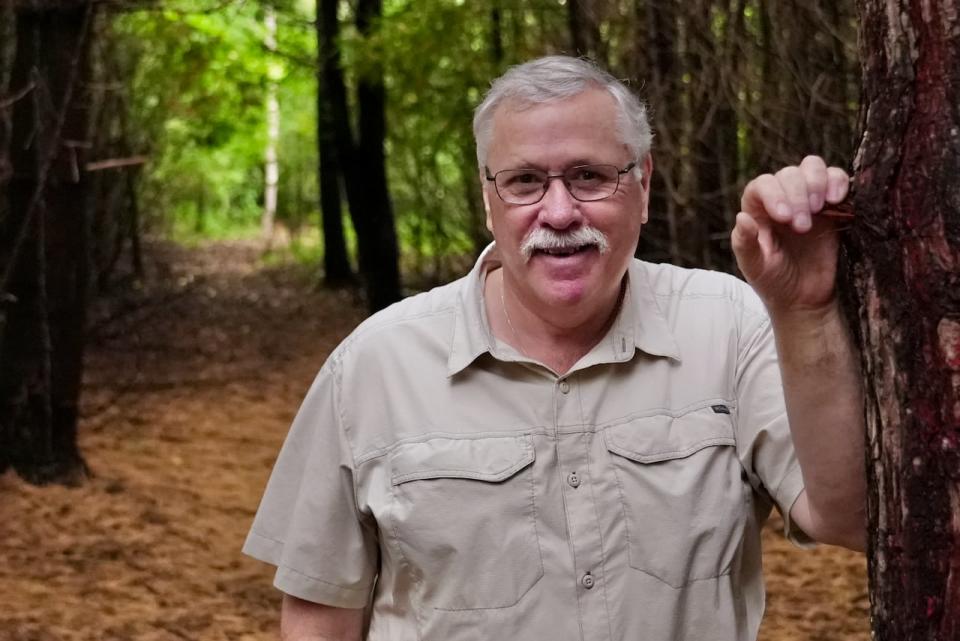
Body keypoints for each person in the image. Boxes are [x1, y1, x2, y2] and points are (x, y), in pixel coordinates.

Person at [243, 56, 866, 641]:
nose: (560, 211)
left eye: (590, 176)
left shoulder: (729, 327)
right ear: (489, 199)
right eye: (525, 182)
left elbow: (848, 518)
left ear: (643, 186)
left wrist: (806, 311)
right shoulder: (375, 365)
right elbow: (320, 612)